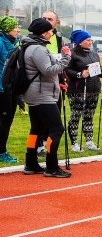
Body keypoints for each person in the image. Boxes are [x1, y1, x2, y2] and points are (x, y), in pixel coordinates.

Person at [21, 18, 72, 177]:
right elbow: (48, 70)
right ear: (44, 33)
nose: (52, 33)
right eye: (50, 31)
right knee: (56, 129)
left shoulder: (29, 46)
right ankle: (51, 165)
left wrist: (58, 84)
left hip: (35, 93)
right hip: (42, 96)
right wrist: (66, 58)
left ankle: (31, 163)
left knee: (36, 129)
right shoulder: (38, 49)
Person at [65, 30, 102, 152]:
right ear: (79, 42)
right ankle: (74, 143)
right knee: (76, 116)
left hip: (93, 89)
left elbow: (95, 71)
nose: (90, 42)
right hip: (77, 90)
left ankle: (89, 141)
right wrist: (79, 74)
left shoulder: (94, 54)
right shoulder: (72, 54)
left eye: (90, 40)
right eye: (87, 40)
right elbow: (66, 70)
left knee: (89, 116)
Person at [0, 16, 21, 163]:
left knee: (8, 120)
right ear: (8, 29)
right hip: (2, 88)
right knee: (4, 120)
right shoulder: (1, 43)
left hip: (12, 86)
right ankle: (1, 152)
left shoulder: (13, 43)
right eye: (15, 27)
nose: (18, 29)